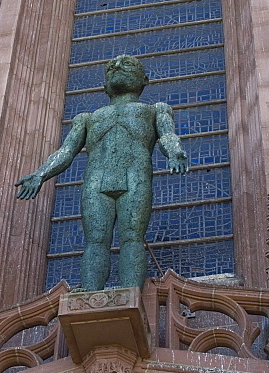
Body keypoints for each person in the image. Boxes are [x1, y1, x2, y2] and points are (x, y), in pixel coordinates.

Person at [16, 54, 188, 290]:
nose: (117, 67)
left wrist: (175, 152)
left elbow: (167, 135)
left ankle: (131, 294)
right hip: (96, 182)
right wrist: (40, 174)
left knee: (132, 238)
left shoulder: (155, 110)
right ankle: (90, 297)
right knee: (95, 241)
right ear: (104, 85)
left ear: (144, 80)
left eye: (127, 65)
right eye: (111, 67)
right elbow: (66, 151)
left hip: (134, 178)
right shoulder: (87, 119)